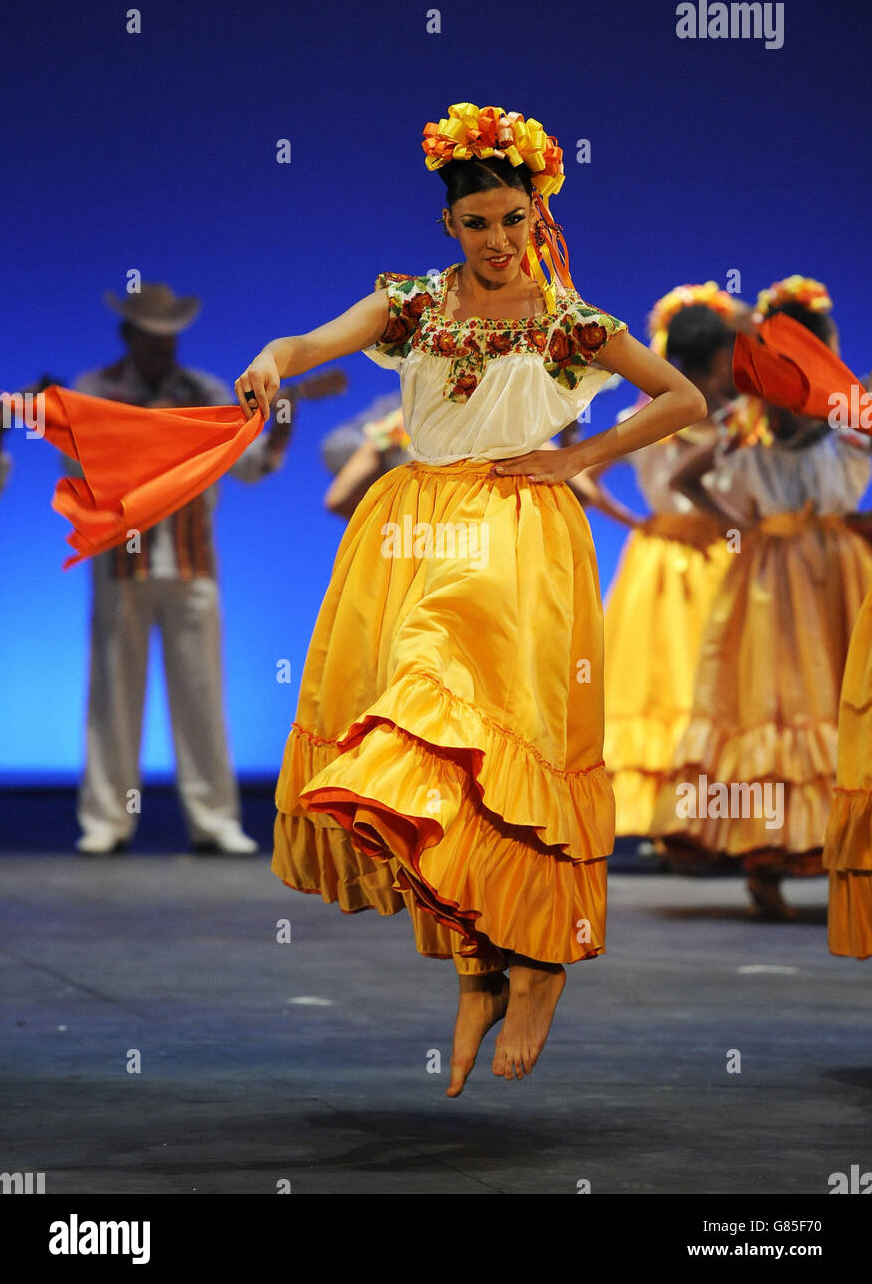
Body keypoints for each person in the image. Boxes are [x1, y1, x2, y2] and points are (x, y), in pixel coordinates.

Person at [233, 102, 706, 1094]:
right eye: (477, 223)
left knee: (482, 724)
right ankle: (477, 963)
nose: (497, 241)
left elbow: (683, 399)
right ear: (450, 226)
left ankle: (538, 963)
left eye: (511, 219)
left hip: (520, 536)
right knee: (440, 748)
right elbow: (307, 341)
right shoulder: (412, 306)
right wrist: (273, 362)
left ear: (539, 215)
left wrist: (578, 453)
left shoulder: (572, 324)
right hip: (413, 528)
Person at [650, 276, 872, 918]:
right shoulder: (746, 430)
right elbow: (687, 476)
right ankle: (768, 858)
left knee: (842, 699)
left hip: (838, 569)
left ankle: (840, 852)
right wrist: (737, 525)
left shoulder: (845, 422)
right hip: (775, 581)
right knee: (776, 702)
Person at [68, 282, 292, 856]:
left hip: (192, 560)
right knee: (113, 693)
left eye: (169, 340)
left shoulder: (204, 390)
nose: (161, 350)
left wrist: (283, 418)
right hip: (122, 559)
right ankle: (106, 821)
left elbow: (250, 466)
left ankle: (214, 819)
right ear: (128, 335)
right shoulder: (97, 389)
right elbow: (86, 462)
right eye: (150, 339)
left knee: (202, 691)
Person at [577, 288, 742, 839]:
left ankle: (671, 816)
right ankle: (697, 814)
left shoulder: (644, 416)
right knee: (690, 675)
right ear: (720, 357)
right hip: (716, 549)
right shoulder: (731, 422)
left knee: (668, 675)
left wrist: (635, 523)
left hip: (664, 551)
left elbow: (582, 477)